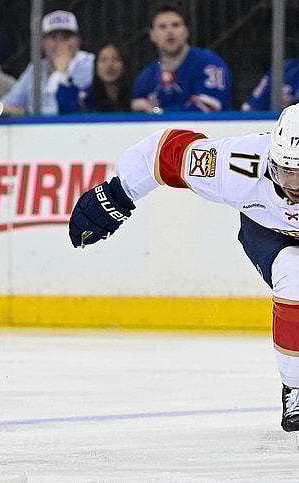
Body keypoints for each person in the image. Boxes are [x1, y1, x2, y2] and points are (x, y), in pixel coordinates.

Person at [68, 103, 299, 438]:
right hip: (269, 232)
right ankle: (295, 387)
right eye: (287, 171)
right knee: (293, 275)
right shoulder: (236, 166)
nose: (294, 184)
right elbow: (163, 152)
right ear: (270, 163)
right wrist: (118, 194)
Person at [131, 4, 232, 113]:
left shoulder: (210, 63)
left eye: (175, 25)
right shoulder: (145, 77)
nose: (169, 31)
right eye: (162, 27)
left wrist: (157, 112)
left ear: (186, 31)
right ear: (152, 35)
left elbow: (208, 108)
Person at [0, 10, 94, 115]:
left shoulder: (91, 66)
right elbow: (7, 105)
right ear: (43, 43)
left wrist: (61, 73)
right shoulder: (35, 70)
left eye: (66, 37)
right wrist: (25, 112)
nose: (60, 43)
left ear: (78, 40)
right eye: (53, 37)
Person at [57, 41, 132, 113]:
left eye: (116, 59)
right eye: (103, 60)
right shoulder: (85, 98)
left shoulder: (133, 96)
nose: (109, 65)